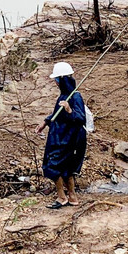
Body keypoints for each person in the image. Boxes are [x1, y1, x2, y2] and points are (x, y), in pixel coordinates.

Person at [39, 62, 87, 208]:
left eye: (57, 79)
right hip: (60, 136)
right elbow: (56, 114)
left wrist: (69, 110)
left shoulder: (75, 97)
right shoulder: (64, 95)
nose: (55, 82)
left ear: (62, 79)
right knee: (66, 168)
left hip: (68, 138)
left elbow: (80, 118)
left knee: (52, 166)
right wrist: (46, 122)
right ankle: (72, 197)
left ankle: (62, 197)